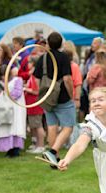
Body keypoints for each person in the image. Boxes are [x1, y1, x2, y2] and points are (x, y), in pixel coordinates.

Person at [33, 32, 75, 167]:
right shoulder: (64, 58)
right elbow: (67, 79)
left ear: (48, 44)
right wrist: (71, 94)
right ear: (61, 43)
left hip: (47, 97)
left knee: (52, 127)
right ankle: (53, 151)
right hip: (62, 97)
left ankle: (53, 158)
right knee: (68, 127)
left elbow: (36, 78)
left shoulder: (43, 58)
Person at [0, 67, 26, 158]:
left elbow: (17, 93)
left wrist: (5, 92)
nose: (4, 77)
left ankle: (15, 150)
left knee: (16, 128)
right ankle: (8, 149)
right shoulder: (0, 83)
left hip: (16, 109)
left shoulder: (17, 80)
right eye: (2, 75)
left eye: (5, 75)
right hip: (4, 110)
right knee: (5, 128)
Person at [24, 58, 46, 154]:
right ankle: (36, 145)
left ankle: (41, 146)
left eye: (29, 62)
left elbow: (36, 91)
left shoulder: (35, 76)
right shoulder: (31, 75)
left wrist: (24, 88)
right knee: (34, 125)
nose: (27, 64)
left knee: (38, 125)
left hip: (35, 103)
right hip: (31, 104)